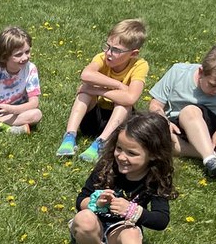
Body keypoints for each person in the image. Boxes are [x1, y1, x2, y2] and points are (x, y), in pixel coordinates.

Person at [68, 112, 176, 244]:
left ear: (153, 154)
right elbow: (80, 199)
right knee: (83, 218)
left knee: (132, 234)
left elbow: (161, 220)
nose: (122, 157)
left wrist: (132, 211)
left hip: (120, 231)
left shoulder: (155, 178)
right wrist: (95, 203)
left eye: (132, 153)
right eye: (119, 148)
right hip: (95, 227)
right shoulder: (107, 166)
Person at [56, 19, 148, 163]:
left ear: (133, 54)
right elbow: (86, 75)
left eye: (116, 50)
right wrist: (118, 86)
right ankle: (69, 136)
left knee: (124, 104)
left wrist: (97, 90)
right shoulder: (101, 58)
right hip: (94, 119)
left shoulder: (139, 65)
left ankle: (101, 143)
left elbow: (131, 98)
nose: (109, 53)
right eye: (107, 46)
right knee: (85, 93)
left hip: (118, 126)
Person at [147, 43, 216, 179]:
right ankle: (212, 155)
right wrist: (164, 121)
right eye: (213, 85)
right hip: (177, 128)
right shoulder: (178, 72)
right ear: (201, 72)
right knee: (150, 136)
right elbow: (155, 104)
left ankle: (210, 159)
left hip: (212, 128)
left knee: (190, 111)